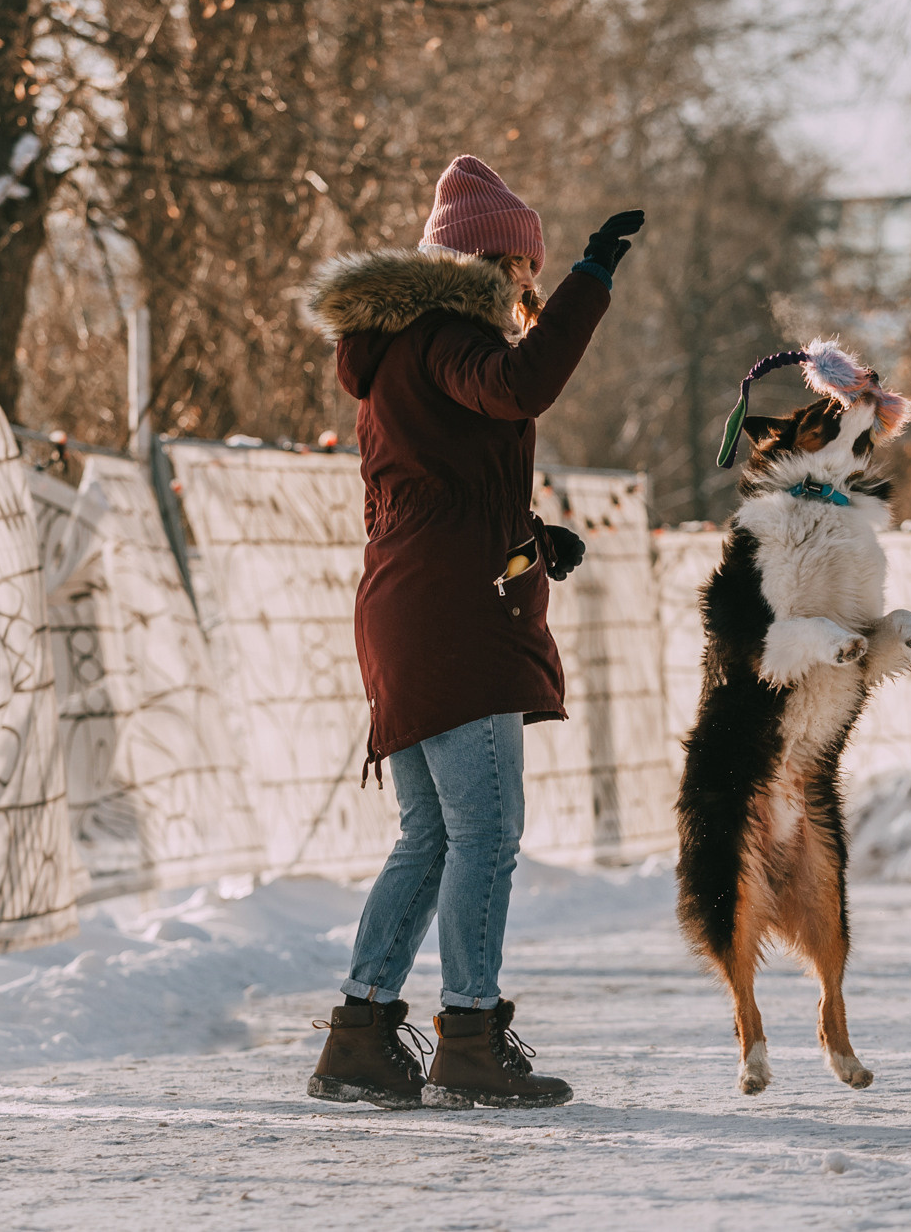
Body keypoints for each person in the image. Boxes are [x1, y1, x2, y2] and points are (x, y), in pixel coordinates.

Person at [301, 155, 644, 1110]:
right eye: (527, 270)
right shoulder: (450, 330)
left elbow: (439, 490)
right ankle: (470, 1036)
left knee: (430, 838)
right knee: (485, 834)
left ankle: (360, 1037)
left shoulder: (404, 346)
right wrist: (593, 278)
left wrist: (530, 542)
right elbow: (520, 387)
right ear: (495, 262)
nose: (532, 287)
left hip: (408, 604)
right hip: (451, 618)